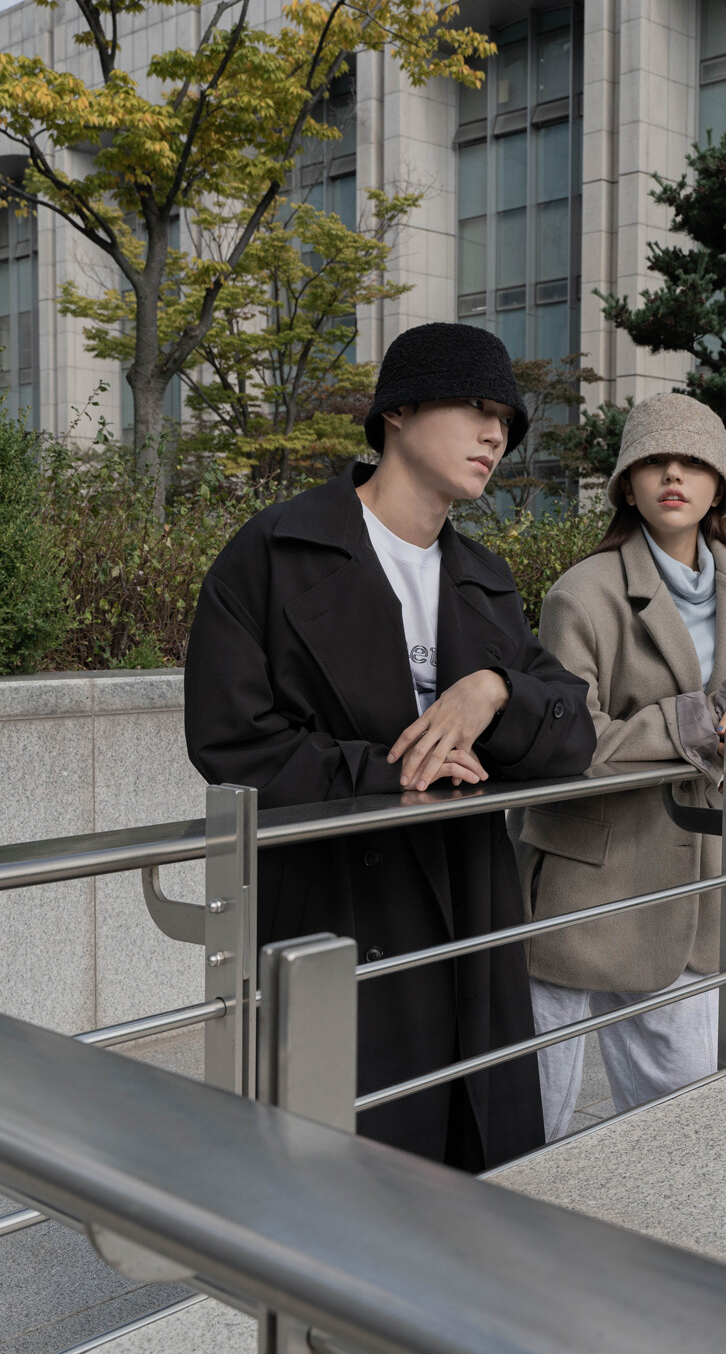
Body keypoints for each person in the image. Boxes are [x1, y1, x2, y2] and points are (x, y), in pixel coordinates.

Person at [184, 322, 596, 1171]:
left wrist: (494, 692)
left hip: (472, 916)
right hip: (339, 910)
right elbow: (232, 738)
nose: (495, 435)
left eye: (507, 421)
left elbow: (572, 731)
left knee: (477, 1182)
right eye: (476, 407)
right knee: (342, 1182)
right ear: (398, 411)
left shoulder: (483, 576)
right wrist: (395, 770)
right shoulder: (275, 552)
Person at [510, 392, 726, 1142]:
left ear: (719, 484)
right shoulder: (582, 593)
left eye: (693, 461)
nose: (673, 475)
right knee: (535, 1119)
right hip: (582, 881)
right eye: (654, 461)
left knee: (680, 1123)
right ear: (626, 486)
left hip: (695, 879)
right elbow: (575, 739)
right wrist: (694, 720)